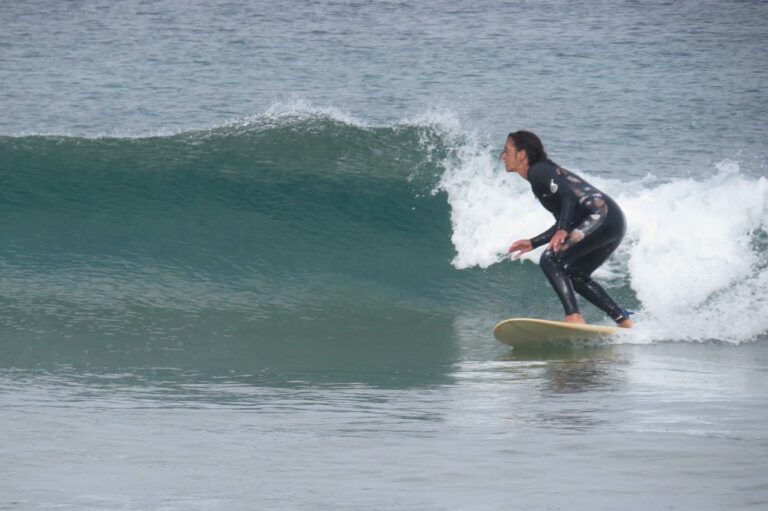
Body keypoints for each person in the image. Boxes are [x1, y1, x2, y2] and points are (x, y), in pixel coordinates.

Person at [502, 130, 632, 328]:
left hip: (601, 216)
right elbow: (567, 215)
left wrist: (562, 229)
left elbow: (568, 197)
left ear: (521, 155)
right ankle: (623, 321)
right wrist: (534, 242)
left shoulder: (538, 171)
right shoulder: (543, 173)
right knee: (575, 273)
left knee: (551, 258)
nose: (503, 156)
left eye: (506, 151)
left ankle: (573, 316)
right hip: (611, 220)